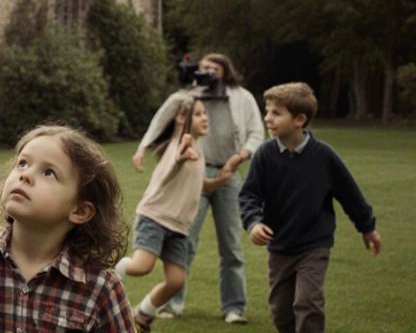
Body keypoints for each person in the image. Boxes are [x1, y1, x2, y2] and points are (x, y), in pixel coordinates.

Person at [0, 124, 135, 332]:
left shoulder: (100, 287)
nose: (25, 175)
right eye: (22, 163)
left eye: (49, 172)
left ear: (80, 211)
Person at [132, 53, 264, 323]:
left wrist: (239, 157)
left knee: (231, 246)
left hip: (227, 172)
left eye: (212, 70)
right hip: (194, 172)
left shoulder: (242, 97)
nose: (207, 75)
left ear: (226, 71)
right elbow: (163, 118)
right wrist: (143, 146)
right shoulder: (189, 97)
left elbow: (256, 133)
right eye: (202, 69)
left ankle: (234, 308)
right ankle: (173, 304)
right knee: (185, 239)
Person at [239, 82, 380, 333]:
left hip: (314, 245)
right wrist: (253, 223)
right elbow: (248, 195)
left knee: (307, 303)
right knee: (281, 311)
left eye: (276, 113)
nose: (267, 118)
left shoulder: (323, 156)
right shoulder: (264, 155)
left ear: (299, 119)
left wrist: (367, 227)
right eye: (267, 111)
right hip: (280, 246)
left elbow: (350, 194)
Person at [116, 95, 227, 331]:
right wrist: (180, 156)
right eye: (198, 114)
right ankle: (109, 271)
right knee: (141, 266)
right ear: (180, 118)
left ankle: (143, 312)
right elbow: (173, 167)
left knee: (176, 281)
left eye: (205, 113)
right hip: (155, 217)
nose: (204, 118)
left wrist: (218, 181)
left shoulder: (196, 150)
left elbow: (200, 185)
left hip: (179, 227)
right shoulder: (177, 148)